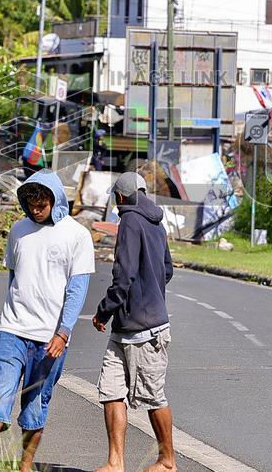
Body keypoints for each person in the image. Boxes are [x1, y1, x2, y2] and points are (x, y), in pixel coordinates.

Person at [0, 170, 95, 472]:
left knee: (35, 405)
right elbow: (14, 278)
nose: (35, 208)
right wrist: (10, 313)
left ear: (55, 200)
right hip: (12, 330)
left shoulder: (77, 235)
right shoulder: (18, 230)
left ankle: (25, 465)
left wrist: (63, 332)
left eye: (41, 202)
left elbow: (77, 289)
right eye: (30, 202)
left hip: (49, 338)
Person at [92, 171, 175, 472]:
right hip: (126, 328)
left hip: (146, 332)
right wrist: (147, 292)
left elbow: (123, 273)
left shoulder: (129, 220)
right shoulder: (157, 224)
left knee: (154, 397)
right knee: (111, 391)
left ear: (121, 196)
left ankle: (167, 461)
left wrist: (104, 310)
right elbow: (166, 271)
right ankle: (115, 462)